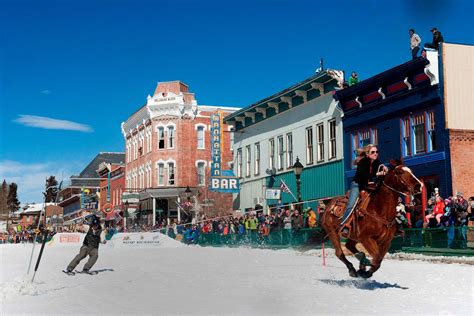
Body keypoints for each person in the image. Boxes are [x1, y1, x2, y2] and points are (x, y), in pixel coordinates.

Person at [340, 144, 387, 233]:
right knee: (351, 204)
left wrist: (384, 167)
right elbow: (363, 175)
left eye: (377, 152)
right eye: (373, 152)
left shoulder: (376, 162)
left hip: (368, 186)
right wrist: (377, 174)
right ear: (367, 154)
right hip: (357, 185)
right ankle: (344, 224)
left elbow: (380, 165)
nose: (375, 154)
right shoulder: (363, 162)